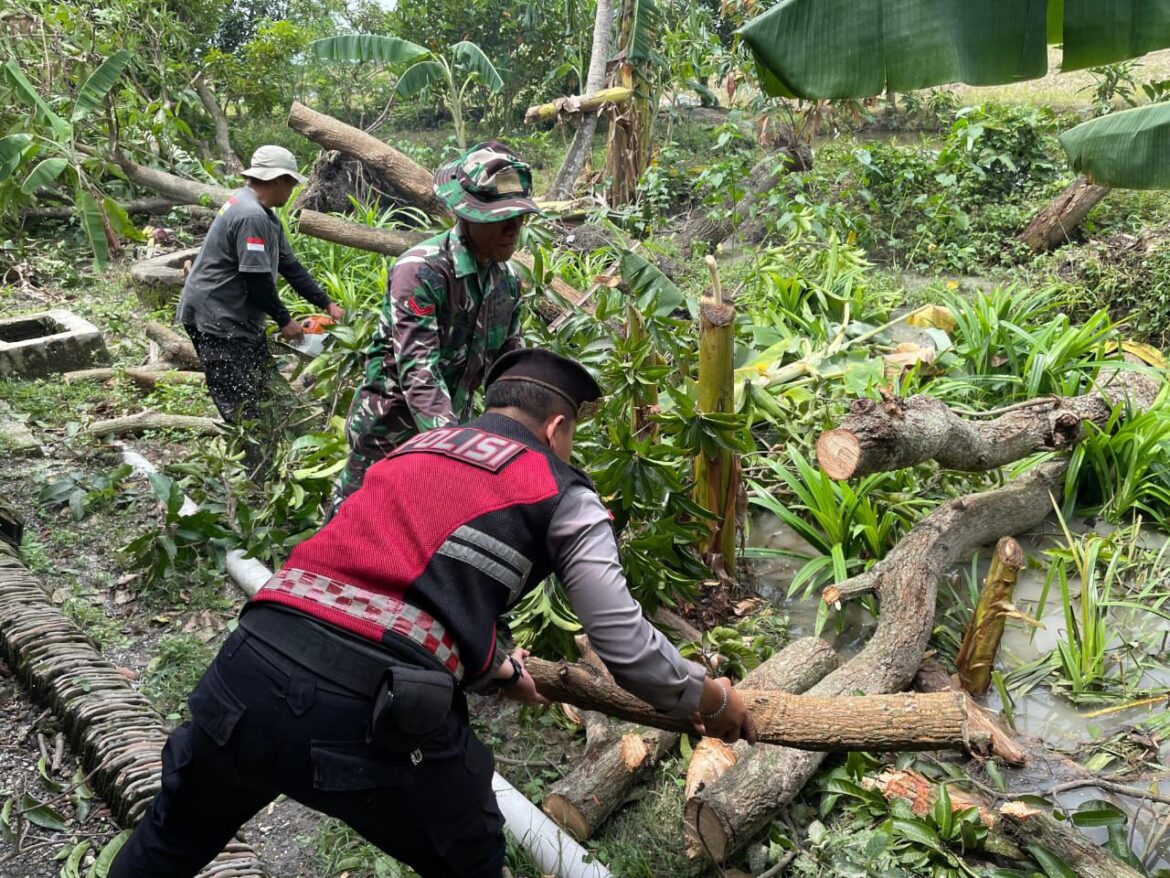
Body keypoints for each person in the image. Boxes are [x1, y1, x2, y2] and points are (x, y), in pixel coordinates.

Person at [109, 347, 756, 878]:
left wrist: (496, 666)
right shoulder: (562, 492)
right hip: (368, 710)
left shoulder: (413, 449)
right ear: (559, 428)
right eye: (573, 434)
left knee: (169, 843)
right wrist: (713, 703)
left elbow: (391, 577)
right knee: (470, 856)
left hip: (248, 663)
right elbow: (623, 643)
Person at [331, 140, 537, 514]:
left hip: (452, 427)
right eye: (501, 218)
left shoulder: (506, 280)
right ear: (468, 216)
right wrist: (458, 450)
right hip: (389, 430)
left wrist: (529, 426)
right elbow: (419, 372)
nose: (513, 229)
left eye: (520, 217)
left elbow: (510, 363)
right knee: (353, 522)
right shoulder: (422, 271)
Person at [177, 144, 344, 427]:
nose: (292, 191)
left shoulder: (262, 213)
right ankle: (252, 455)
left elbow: (290, 266)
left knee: (262, 382)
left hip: (232, 316)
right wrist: (284, 320)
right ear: (278, 179)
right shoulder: (251, 215)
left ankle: (276, 436)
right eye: (291, 183)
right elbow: (255, 279)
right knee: (240, 401)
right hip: (216, 320)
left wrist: (326, 303)